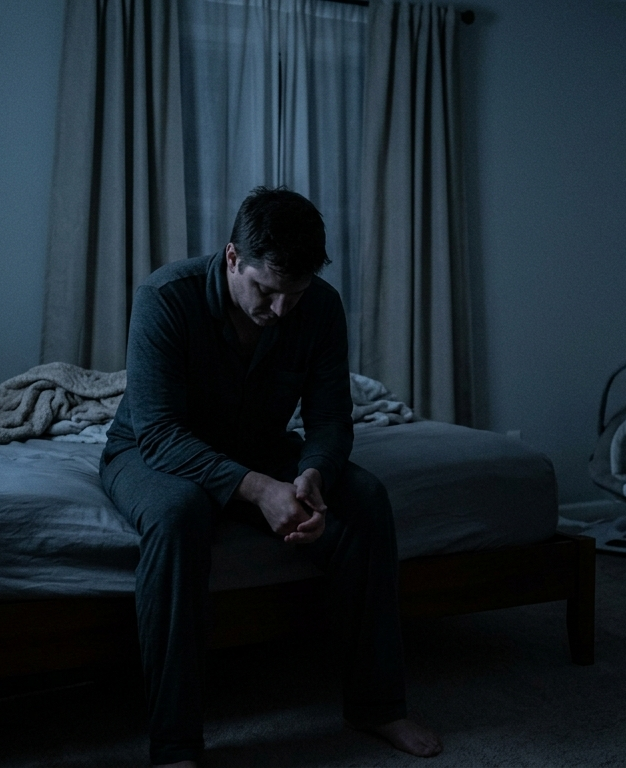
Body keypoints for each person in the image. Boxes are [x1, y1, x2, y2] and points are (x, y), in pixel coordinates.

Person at [100, 186, 442, 766]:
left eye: (295, 293)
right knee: (178, 514)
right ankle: (175, 744)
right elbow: (159, 433)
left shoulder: (321, 308)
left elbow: (329, 418)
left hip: (259, 445)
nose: (281, 309)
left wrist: (313, 474)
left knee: (365, 498)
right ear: (233, 258)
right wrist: (258, 489)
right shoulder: (164, 297)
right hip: (151, 450)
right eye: (266, 290)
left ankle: (378, 706)